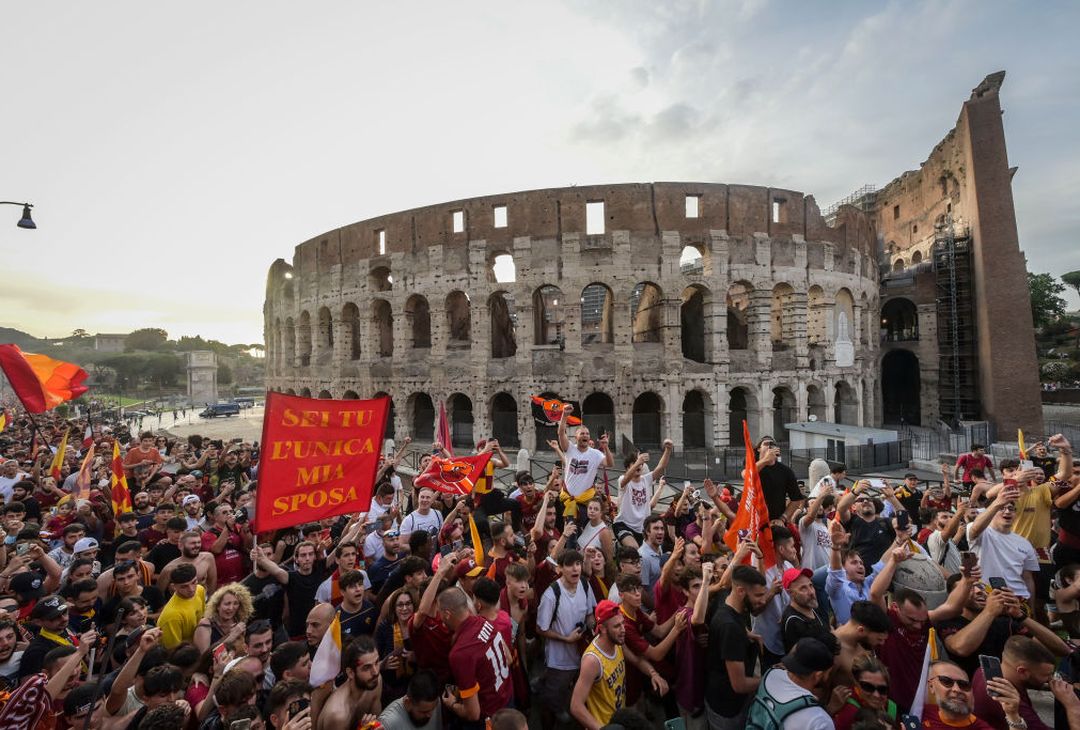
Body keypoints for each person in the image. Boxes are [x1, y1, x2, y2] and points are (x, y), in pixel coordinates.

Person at [570, 599, 667, 730]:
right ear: (603, 629)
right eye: (617, 626)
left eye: (623, 623)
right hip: (606, 725)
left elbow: (637, 660)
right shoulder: (592, 661)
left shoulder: (617, 643)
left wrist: (653, 674)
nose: (623, 630)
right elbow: (576, 706)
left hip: (621, 720)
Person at [705, 565, 770, 729]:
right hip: (728, 710)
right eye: (758, 595)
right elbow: (739, 684)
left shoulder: (729, 601)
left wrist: (747, 634)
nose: (763, 600)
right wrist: (769, 680)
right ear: (740, 591)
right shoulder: (730, 628)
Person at [536, 549, 596, 726]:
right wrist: (566, 639)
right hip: (560, 660)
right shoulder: (551, 594)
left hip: (583, 657)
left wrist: (590, 626)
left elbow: (590, 613)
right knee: (552, 698)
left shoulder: (585, 584)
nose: (575, 568)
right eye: (569, 565)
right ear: (560, 569)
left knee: (580, 695)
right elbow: (540, 628)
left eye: (578, 564)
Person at [439, 585, 513, 726]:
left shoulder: (460, 654)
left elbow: (473, 714)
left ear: (447, 614)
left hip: (490, 718)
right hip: (508, 698)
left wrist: (452, 704)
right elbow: (508, 659)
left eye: (440, 613)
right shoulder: (483, 621)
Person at [747, 637, 833, 730]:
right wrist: (830, 709)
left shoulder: (771, 674)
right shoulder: (818, 720)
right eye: (828, 673)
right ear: (818, 675)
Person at [972, 635, 1055, 730]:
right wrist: (1069, 704)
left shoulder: (983, 671)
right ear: (1022, 671)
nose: (1050, 679)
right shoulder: (1004, 699)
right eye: (1046, 675)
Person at [556, 403, 613, 518]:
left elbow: (610, 464)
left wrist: (606, 447)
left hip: (584, 501)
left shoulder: (595, 454)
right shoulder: (569, 448)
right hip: (566, 498)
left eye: (587, 434)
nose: (585, 435)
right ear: (576, 437)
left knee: (576, 530)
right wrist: (565, 415)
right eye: (582, 433)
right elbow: (561, 433)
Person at [613, 443, 672, 547]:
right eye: (634, 463)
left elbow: (661, 467)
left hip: (642, 528)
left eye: (640, 464)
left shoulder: (646, 480)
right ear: (628, 468)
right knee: (634, 548)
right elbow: (625, 480)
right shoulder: (623, 480)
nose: (639, 465)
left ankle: (619, 552)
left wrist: (668, 449)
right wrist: (638, 461)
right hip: (623, 524)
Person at [318, 635, 382, 729]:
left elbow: (376, 723)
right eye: (367, 667)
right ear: (351, 673)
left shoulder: (375, 682)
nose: (375, 672)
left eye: (376, 663)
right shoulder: (337, 715)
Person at [922, 660, 994, 730]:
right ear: (931, 686)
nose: (957, 689)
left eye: (964, 685)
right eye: (946, 681)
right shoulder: (919, 713)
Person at [833, 655, 896, 730]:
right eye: (868, 687)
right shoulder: (849, 712)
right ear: (856, 684)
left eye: (882, 689)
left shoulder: (890, 708)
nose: (876, 695)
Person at [779, 567, 830, 652]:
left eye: (811, 585)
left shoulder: (810, 606)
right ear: (790, 593)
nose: (811, 592)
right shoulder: (793, 621)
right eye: (803, 588)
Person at [158, 563, 206, 649]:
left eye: (194, 582)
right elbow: (174, 652)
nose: (191, 589)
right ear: (173, 587)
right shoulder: (171, 616)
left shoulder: (200, 589)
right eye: (184, 587)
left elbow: (203, 617)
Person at [756, 436, 803, 522]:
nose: (769, 447)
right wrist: (766, 460)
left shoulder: (786, 471)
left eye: (772, 445)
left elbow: (796, 499)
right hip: (755, 520)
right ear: (759, 448)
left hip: (775, 520)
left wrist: (783, 518)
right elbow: (747, 475)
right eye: (766, 444)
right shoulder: (752, 464)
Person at [378, 668, 442, 729]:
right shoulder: (388, 723)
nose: (430, 715)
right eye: (424, 712)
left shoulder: (435, 703)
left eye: (433, 709)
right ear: (407, 702)